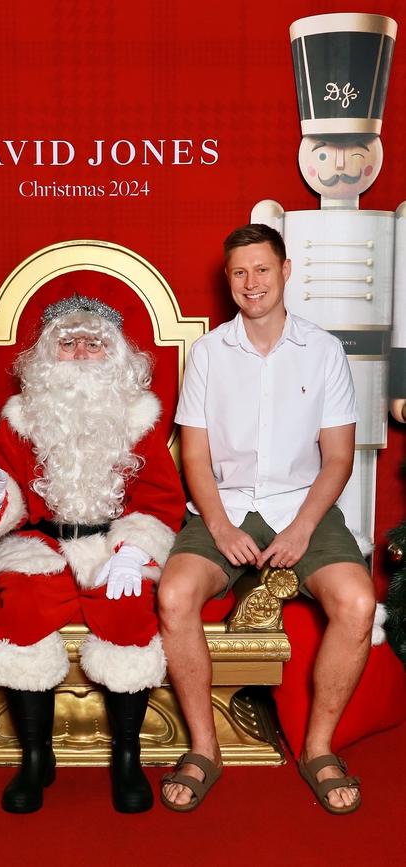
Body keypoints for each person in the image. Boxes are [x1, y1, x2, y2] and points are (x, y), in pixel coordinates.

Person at [157, 224, 375, 816]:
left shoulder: (324, 350)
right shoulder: (207, 353)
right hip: (225, 504)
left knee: (357, 603)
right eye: (239, 272)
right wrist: (222, 526)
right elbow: (195, 455)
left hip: (302, 505)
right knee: (175, 595)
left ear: (284, 272)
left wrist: (304, 528)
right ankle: (205, 749)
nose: (251, 282)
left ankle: (318, 748)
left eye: (261, 269)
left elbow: (338, 457)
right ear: (227, 281)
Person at [0, 294, 185, 814]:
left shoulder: (140, 420)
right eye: (68, 343)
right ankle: (35, 757)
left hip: (115, 540)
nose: (81, 352)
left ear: (116, 357)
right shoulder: (23, 419)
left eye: (94, 343)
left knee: (128, 611)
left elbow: (160, 498)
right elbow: (2, 484)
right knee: (24, 611)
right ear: (47, 355)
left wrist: (132, 552)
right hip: (41, 540)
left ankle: (126, 757)